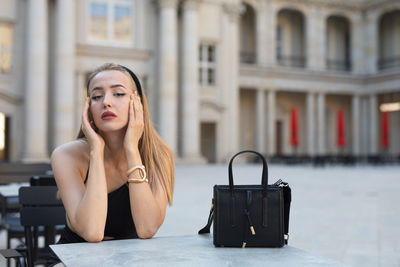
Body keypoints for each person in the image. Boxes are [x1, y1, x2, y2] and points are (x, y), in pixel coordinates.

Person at [47, 63, 174, 266]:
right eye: (97, 96)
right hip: (73, 260)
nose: (106, 102)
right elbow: (92, 232)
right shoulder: (66, 155)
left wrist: (132, 148)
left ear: (137, 102)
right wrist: (95, 150)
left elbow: (147, 228)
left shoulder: (158, 155)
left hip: (130, 261)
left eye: (118, 94)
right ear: (88, 107)